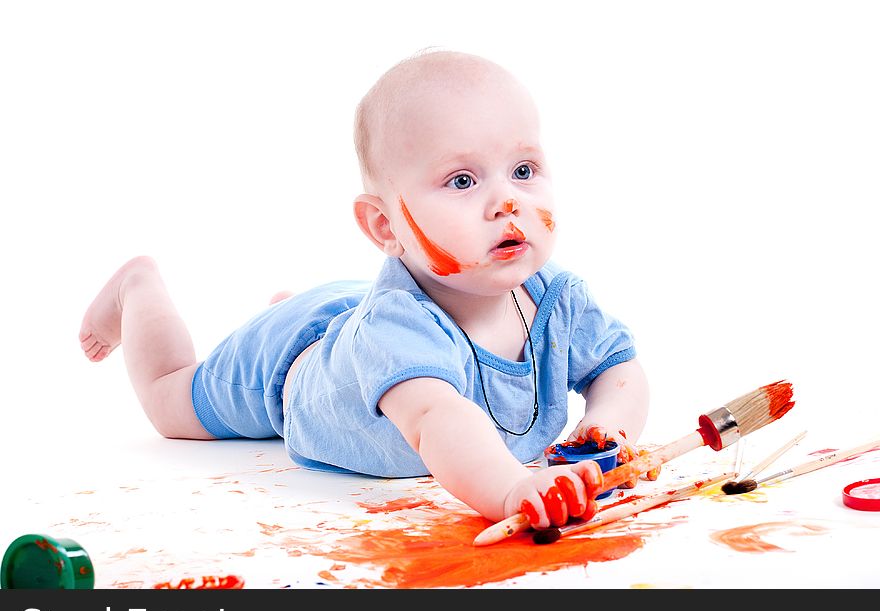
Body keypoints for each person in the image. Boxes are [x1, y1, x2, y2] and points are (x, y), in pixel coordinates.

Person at [79, 49, 650, 530]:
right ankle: (139, 288)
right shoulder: (398, 328)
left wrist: (607, 429)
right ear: (385, 227)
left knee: (358, 332)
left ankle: (308, 317)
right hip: (289, 367)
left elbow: (619, 370)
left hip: (356, 324)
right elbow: (437, 419)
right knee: (171, 403)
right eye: (461, 180)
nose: (508, 202)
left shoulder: (559, 300)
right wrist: (512, 489)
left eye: (523, 171)